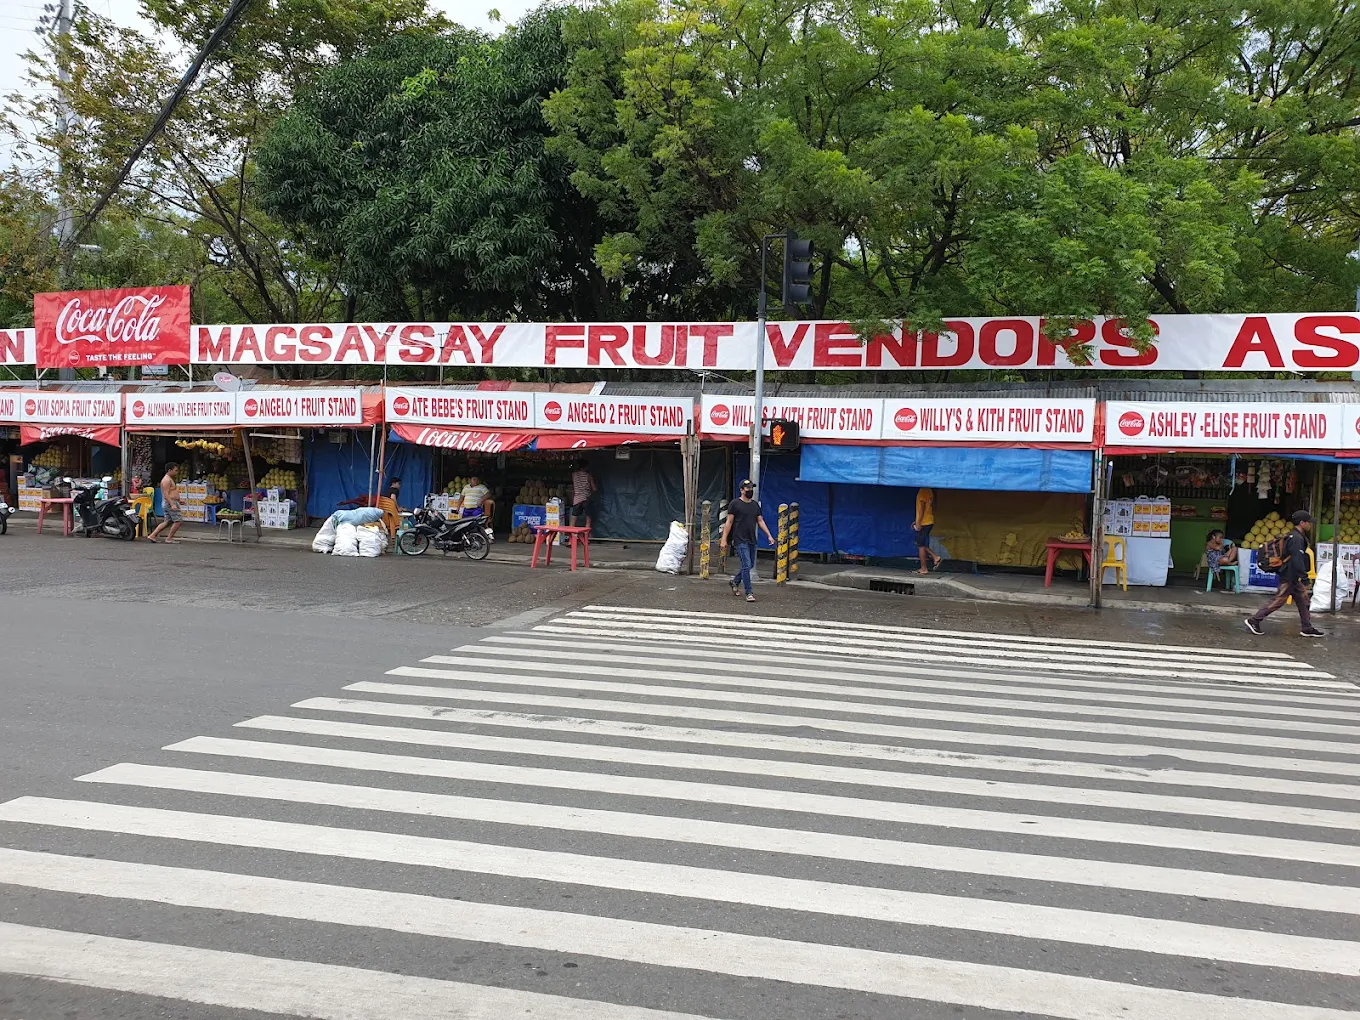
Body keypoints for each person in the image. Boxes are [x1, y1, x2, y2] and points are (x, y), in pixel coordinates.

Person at [1245, 510, 1324, 638]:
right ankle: (1254, 621)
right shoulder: (1297, 538)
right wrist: (1304, 578)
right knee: (1278, 601)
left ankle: (1307, 627)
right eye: (1309, 522)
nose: (1311, 525)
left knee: (1304, 601)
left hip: (1293, 576)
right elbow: (1297, 560)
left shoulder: (1295, 536)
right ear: (1302, 523)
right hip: (1289, 576)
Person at [720, 478, 775, 603]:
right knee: (746, 564)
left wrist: (769, 535)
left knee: (749, 565)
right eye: (747, 488)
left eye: (751, 488)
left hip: (751, 539)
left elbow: (760, 521)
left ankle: (735, 581)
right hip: (739, 539)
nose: (750, 490)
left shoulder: (755, 505)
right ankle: (749, 592)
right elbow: (729, 522)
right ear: (742, 490)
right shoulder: (735, 504)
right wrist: (724, 539)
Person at [146, 463, 183, 544]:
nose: (176, 472)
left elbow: (171, 492)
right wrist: (172, 504)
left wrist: (179, 500)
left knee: (168, 521)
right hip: (170, 502)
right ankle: (169, 538)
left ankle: (152, 535)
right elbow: (166, 494)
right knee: (178, 521)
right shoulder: (166, 480)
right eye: (175, 470)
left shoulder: (169, 479)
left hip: (172, 502)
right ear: (170, 470)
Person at [914, 486, 940, 574]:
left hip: (924, 522)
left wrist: (918, 522)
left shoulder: (923, 490)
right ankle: (935, 557)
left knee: (920, 545)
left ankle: (924, 568)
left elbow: (922, 508)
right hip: (928, 520)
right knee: (920, 543)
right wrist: (916, 521)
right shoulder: (929, 490)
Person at [570, 460, 597, 528]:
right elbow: (594, 489)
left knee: (573, 519)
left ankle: (572, 536)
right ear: (586, 467)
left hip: (577, 499)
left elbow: (574, 485)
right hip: (586, 499)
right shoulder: (588, 476)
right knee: (588, 520)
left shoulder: (574, 475)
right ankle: (586, 537)